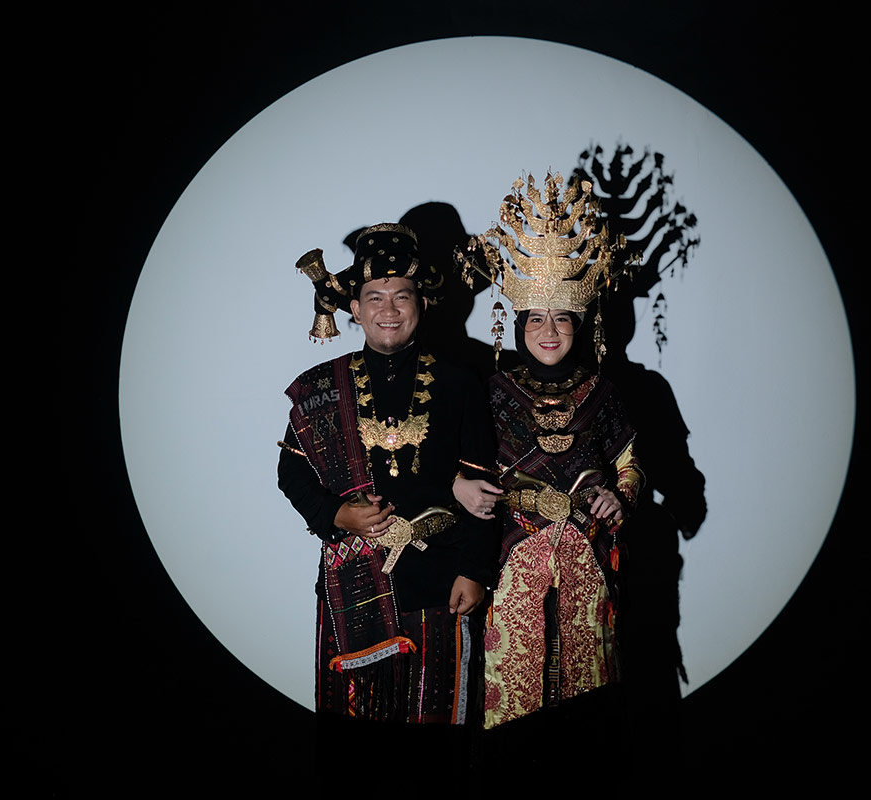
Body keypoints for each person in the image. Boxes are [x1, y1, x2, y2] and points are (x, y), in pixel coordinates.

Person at [453, 172, 658, 728]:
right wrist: (459, 485)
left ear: (579, 324)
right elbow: (458, 465)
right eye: (536, 318)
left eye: (561, 317)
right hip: (511, 559)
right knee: (514, 699)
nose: (549, 330)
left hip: (588, 558)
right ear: (519, 323)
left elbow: (630, 464)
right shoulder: (491, 392)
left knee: (587, 701)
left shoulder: (604, 392)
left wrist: (622, 495)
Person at [277, 223, 496, 733]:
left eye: (402, 296)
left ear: (422, 302)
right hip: (355, 581)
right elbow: (291, 474)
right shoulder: (320, 387)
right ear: (354, 309)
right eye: (375, 297)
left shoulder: (460, 382)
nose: (389, 309)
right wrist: (337, 513)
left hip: (443, 581)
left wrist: (475, 570)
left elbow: (486, 489)